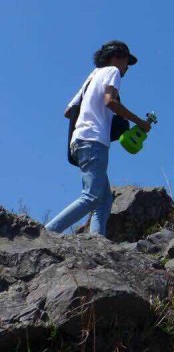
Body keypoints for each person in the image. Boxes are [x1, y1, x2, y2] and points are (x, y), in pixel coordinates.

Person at [46, 41, 151, 237]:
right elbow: (110, 101)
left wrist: (93, 111)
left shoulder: (92, 76)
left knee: (103, 201)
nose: (127, 67)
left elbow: (68, 111)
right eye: (127, 61)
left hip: (79, 141)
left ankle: (96, 242)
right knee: (92, 197)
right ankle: (47, 233)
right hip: (93, 140)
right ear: (116, 57)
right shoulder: (112, 72)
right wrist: (139, 122)